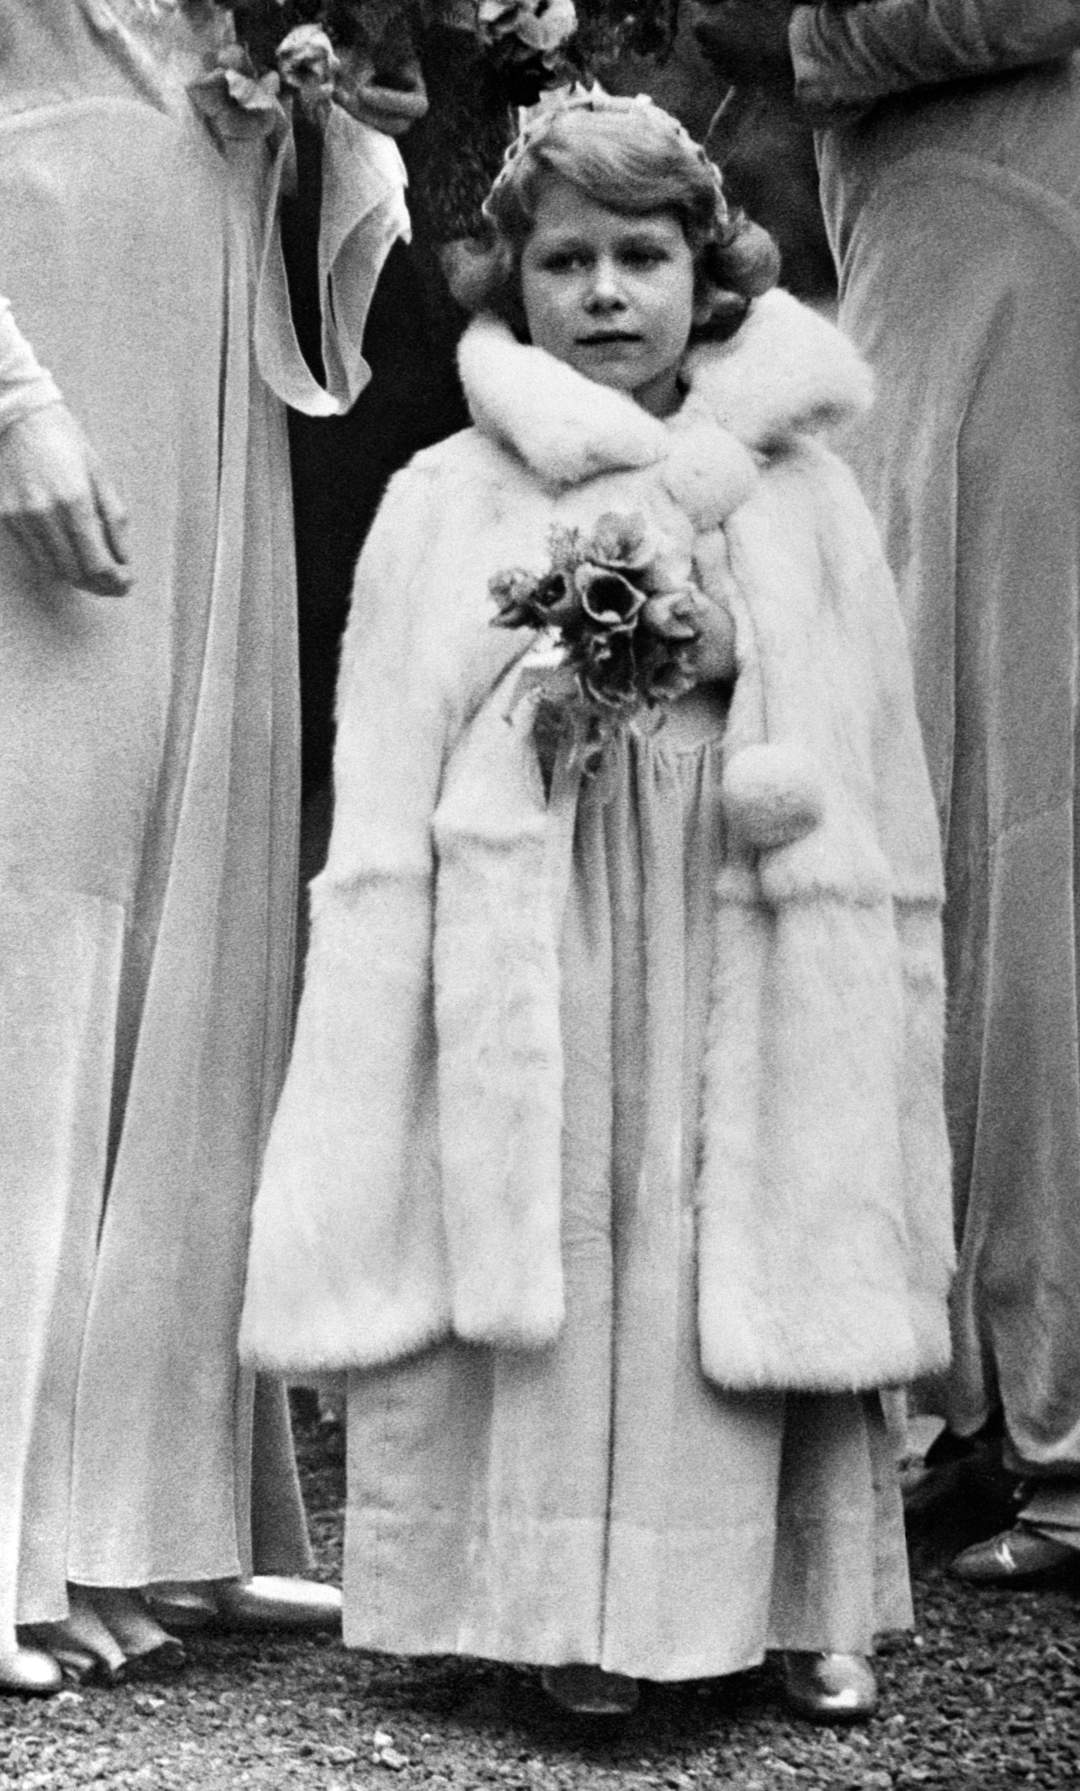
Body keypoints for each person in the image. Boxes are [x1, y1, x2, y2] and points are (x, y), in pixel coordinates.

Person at [239, 85, 953, 1723]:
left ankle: (801, 1597)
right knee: (560, 1221)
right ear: (514, 280)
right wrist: (540, 673)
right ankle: (552, 1600)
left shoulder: (800, 486)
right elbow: (390, 759)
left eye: (644, 257)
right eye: (567, 262)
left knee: (735, 1227)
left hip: (737, 898)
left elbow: (868, 736)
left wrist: (737, 650)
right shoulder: (446, 493)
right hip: (533, 912)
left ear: (710, 274)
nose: (608, 294)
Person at [692, 0, 1080, 1580]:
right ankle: (981, 1388)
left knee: (1054, 792)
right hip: (934, 228)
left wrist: (804, 37)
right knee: (938, 799)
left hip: (1015, 230)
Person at [0, 0, 414, 1695]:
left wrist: (322, 104)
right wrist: (9, 401)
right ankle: (13, 1523)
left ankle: (143, 1507)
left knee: (201, 889)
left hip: (201, 335)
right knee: (42, 891)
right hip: (51, 305)